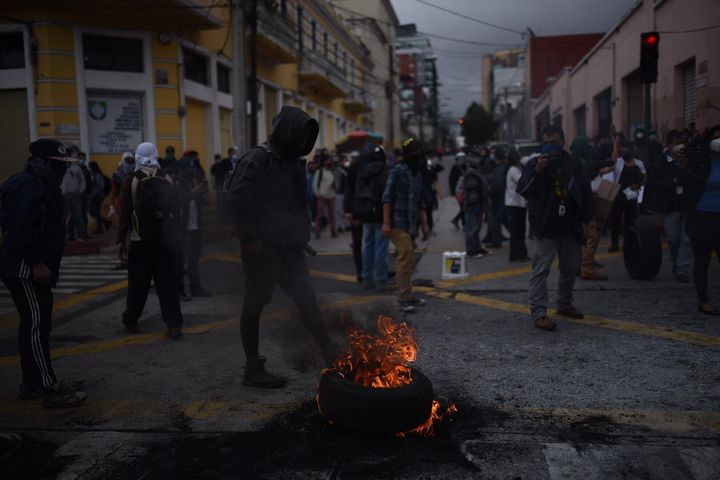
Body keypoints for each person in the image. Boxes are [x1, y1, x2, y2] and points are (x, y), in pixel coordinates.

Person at [224, 106, 337, 388]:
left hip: (290, 248)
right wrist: (250, 240)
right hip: (262, 250)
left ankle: (331, 354)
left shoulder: (294, 162)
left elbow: (297, 205)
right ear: (287, 131)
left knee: (307, 300)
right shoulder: (258, 160)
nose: (303, 143)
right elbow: (234, 202)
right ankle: (253, 367)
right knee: (254, 304)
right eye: (299, 135)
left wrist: (301, 236)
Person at [0, 139, 88, 407]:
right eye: (58, 165)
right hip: (25, 267)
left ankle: (30, 384)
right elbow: (20, 228)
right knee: (37, 324)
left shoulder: (42, 184)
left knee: (34, 324)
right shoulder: (28, 185)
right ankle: (49, 389)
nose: (62, 172)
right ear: (45, 163)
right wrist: (37, 262)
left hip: (33, 265)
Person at [518, 125, 593, 331]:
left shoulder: (575, 163)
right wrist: (538, 171)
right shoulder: (535, 163)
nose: (550, 146)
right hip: (547, 224)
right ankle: (539, 312)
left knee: (570, 269)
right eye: (546, 142)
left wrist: (586, 220)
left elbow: (585, 192)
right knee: (541, 270)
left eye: (554, 142)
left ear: (563, 142)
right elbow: (524, 190)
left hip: (570, 224)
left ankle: (565, 304)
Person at [117, 142, 184, 338]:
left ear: (137, 156)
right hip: (165, 242)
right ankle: (174, 324)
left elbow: (125, 214)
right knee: (168, 285)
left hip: (140, 241)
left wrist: (121, 240)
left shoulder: (130, 179)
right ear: (156, 154)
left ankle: (131, 320)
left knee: (138, 284)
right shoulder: (167, 178)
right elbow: (177, 209)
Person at [382, 138, 429, 313]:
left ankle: (408, 294)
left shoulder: (417, 174)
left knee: (409, 260)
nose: (419, 156)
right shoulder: (397, 171)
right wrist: (386, 223)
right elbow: (386, 198)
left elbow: (420, 203)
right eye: (416, 153)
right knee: (405, 257)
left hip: (411, 225)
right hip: (397, 222)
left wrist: (424, 226)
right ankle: (403, 297)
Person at [678, 125, 720, 315]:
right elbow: (684, 182)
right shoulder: (700, 161)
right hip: (701, 216)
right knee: (702, 261)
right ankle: (703, 300)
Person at [648, 130, 692, 282]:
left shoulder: (689, 159)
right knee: (674, 239)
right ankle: (676, 262)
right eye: (676, 143)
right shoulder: (660, 161)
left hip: (687, 204)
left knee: (687, 239)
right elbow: (654, 182)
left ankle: (682, 269)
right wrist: (671, 182)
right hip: (670, 205)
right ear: (669, 144)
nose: (680, 146)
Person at [349, 143, 390, 289]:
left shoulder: (363, 171)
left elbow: (354, 192)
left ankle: (367, 278)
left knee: (367, 246)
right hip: (380, 214)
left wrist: (355, 212)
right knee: (381, 248)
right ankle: (381, 279)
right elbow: (388, 195)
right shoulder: (385, 171)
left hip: (365, 214)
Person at [572, 136, 611, 281]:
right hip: (584, 208)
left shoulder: (573, 161)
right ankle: (587, 268)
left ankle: (577, 265)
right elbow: (584, 186)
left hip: (575, 207)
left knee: (579, 239)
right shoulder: (582, 163)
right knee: (592, 237)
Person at [177, 151, 212, 299]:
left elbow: (202, 202)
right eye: (188, 168)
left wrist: (202, 193)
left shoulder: (191, 181)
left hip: (195, 226)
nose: (191, 171)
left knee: (193, 259)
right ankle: (180, 290)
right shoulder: (177, 183)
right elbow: (179, 201)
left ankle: (195, 288)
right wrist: (193, 193)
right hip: (183, 229)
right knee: (180, 260)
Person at [609, 142, 646, 252]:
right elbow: (612, 160)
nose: (624, 152)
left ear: (632, 151)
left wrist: (638, 185)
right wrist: (615, 144)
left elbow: (645, 178)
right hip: (618, 195)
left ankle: (628, 244)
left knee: (630, 221)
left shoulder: (639, 163)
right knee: (615, 220)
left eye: (626, 150)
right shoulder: (618, 162)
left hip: (632, 195)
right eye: (622, 150)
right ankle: (614, 244)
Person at [343, 148, 367, 284]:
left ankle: (361, 272)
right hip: (365, 212)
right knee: (367, 243)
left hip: (356, 211)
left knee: (358, 244)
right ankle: (364, 271)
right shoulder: (360, 168)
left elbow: (348, 189)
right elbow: (349, 189)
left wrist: (348, 210)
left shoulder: (353, 168)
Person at [456, 153, 487, 258]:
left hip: (475, 205)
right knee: (471, 228)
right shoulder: (471, 174)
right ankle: (472, 250)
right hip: (474, 206)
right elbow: (472, 192)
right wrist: (477, 207)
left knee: (475, 228)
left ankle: (477, 248)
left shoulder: (472, 172)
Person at [505, 149, 529, 262]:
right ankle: (516, 255)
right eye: (519, 157)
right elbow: (522, 181)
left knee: (520, 230)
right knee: (517, 231)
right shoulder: (513, 170)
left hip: (519, 204)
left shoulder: (517, 169)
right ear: (515, 159)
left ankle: (521, 254)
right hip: (514, 205)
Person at [60, 146, 87, 241]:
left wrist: (80, 191)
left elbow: (82, 181)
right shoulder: (60, 168)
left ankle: (80, 235)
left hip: (75, 195)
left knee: (78, 215)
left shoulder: (76, 168)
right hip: (64, 196)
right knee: (64, 217)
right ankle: (66, 235)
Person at [313, 150, 337, 239]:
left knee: (332, 215)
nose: (329, 162)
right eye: (328, 160)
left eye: (330, 160)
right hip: (322, 196)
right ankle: (317, 232)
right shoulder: (320, 171)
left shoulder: (332, 171)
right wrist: (317, 194)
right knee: (319, 215)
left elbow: (334, 183)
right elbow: (315, 184)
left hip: (331, 196)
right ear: (324, 162)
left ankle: (333, 231)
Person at [488, 148, 508, 248]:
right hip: (504, 196)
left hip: (498, 197)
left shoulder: (499, 169)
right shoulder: (505, 167)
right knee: (504, 218)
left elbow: (497, 184)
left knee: (496, 219)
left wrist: (490, 192)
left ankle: (496, 242)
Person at [88, 161, 111, 234]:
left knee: (93, 212)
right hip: (97, 196)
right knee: (95, 212)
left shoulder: (98, 175)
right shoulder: (94, 175)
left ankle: (102, 225)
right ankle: (102, 224)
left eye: (90, 167)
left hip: (98, 196)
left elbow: (100, 187)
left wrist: (93, 194)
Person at [449, 151, 468, 229]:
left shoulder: (466, 166)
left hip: (465, 190)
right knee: (463, 207)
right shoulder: (455, 167)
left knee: (464, 207)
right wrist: (453, 191)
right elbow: (451, 180)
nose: (462, 160)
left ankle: (459, 221)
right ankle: (462, 223)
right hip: (458, 191)